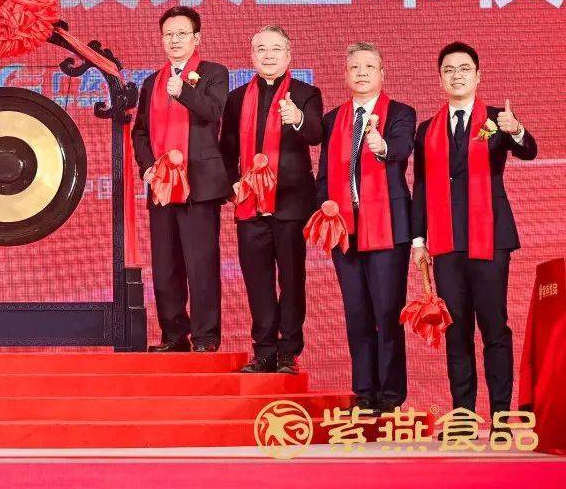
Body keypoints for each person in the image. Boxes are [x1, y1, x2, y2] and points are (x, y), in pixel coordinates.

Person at [412, 42, 537, 417]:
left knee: (494, 327)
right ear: (440, 78)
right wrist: (418, 241)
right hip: (446, 241)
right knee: (457, 330)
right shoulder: (426, 130)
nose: (457, 76)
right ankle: (463, 416)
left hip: (491, 239)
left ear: (478, 75)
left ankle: (501, 415)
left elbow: (528, 150)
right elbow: (420, 186)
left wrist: (517, 130)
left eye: (464, 69)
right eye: (448, 70)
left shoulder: (498, 119)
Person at [317, 42, 416, 414]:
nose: (361, 73)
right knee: (356, 312)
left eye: (369, 67)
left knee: (387, 313)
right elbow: (323, 175)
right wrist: (323, 209)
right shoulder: (332, 119)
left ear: (382, 74)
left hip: (388, 227)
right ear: (345, 75)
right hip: (344, 229)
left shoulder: (401, 113)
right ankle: (365, 392)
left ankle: (390, 394)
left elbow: (402, 148)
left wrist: (382, 145)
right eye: (355, 67)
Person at [220, 26, 322, 374]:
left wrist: (298, 119)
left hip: (290, 203)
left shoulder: (306, 93)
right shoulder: (236, 98)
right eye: (261, 49)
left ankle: (287, 352)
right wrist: (233, 183)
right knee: (257, 280)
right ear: (252, 55)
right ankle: (263, 350)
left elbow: (316, 134)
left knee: (291, 279)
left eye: (276, 49)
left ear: (288, 55)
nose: (268, 55)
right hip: (250, 203)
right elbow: (226, 148)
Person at [131, 6, 229, 352]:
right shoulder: (151, 82)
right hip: (162, 186)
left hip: (198, 185)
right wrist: (147, 166)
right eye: (168, 35)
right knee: (165, 265)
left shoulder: (214, 73)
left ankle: (205, 337)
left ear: (196, 38)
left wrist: (183, 91)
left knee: (201, 264)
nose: (174, 40)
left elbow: (213, 111)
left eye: (181, 34)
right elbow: (140, 132)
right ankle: (173, 336)